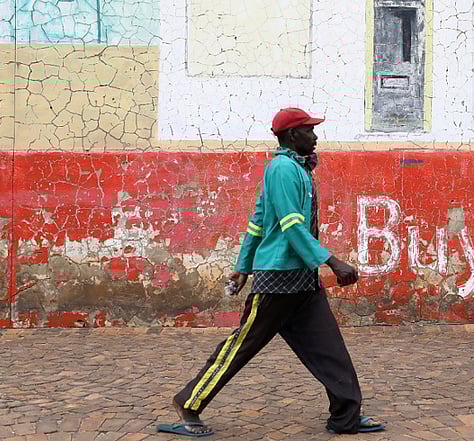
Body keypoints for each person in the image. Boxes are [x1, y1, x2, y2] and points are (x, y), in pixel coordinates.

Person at [156, 107, 386, 437]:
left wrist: (241, 267)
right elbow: (290, 226)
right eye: (309, 130)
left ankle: (345, 417)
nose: (316, 136)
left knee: (330, 349)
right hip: (277, 282)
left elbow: (257, 221)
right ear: (292, 136)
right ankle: (189, 404)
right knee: (240, 348)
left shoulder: (298, 170)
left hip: (303, 283)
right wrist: (331, 261)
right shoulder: (281, 170)